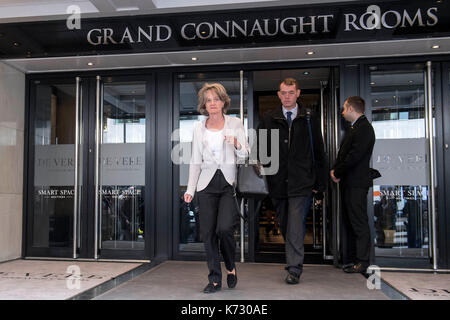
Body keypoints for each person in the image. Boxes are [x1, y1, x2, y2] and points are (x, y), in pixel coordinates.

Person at [258, 78, 327, 284]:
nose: (287, 96)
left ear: (298, 93)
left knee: (295, 225)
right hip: (278, 182)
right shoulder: (269, 117)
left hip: (302, 182)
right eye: (283, 93)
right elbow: (261, 149)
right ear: (278, 95)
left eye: (290, 92)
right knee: (287, 226)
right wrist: (266, 174)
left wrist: (320, 184)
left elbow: (319, 151)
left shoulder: (309, 117)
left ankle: (294, 268)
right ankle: (294, 259)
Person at [184, 82, 248, 293]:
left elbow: (245, 154)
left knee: (224, 229)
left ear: (223, 102)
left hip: (227, 184)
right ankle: (214, 278)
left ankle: (230, 266)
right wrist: (190, 189)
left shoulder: (235, 123)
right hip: (206, 186)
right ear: (204, 104)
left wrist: (237, 143)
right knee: (208, 233)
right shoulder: (198, 127)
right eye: (208, 100)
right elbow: (195, 161)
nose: (212, 103)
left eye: (216, 99)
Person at [330, 96, 375, 274]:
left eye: (343, 109)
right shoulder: (357, 127)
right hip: (351, 182)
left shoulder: (363, 129)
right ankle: (354, 259)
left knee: (358, 222)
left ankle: (363, 262)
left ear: (350, 109)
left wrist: (337, 171)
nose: (342, 112)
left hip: (356, 183)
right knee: (352, 221)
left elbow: (353, 156)